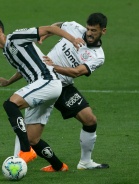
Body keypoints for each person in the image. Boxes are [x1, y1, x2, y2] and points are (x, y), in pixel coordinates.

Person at [0, 16, 85, 172]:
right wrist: (9, 81)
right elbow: (24, 67)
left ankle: (25, 150)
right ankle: (58, 166)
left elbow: (52, 29)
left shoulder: (15, 37)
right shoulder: (7, 51)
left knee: (10, 104)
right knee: (33, 139)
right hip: (45, 86)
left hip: (47, 81)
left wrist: (73, 39)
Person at [41, 13, 110, 170]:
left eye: (94, 30)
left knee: (90, 120)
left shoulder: (98, 56)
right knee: (31, 124)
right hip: (44, 79)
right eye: (88, 29)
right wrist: (47, 33)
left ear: (103, 31)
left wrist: (53, 66)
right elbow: (58, 25)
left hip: (63, 86)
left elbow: (76, 72)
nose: (89, 33)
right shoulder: (74, 28)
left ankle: (85, 162)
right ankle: (21, 154)